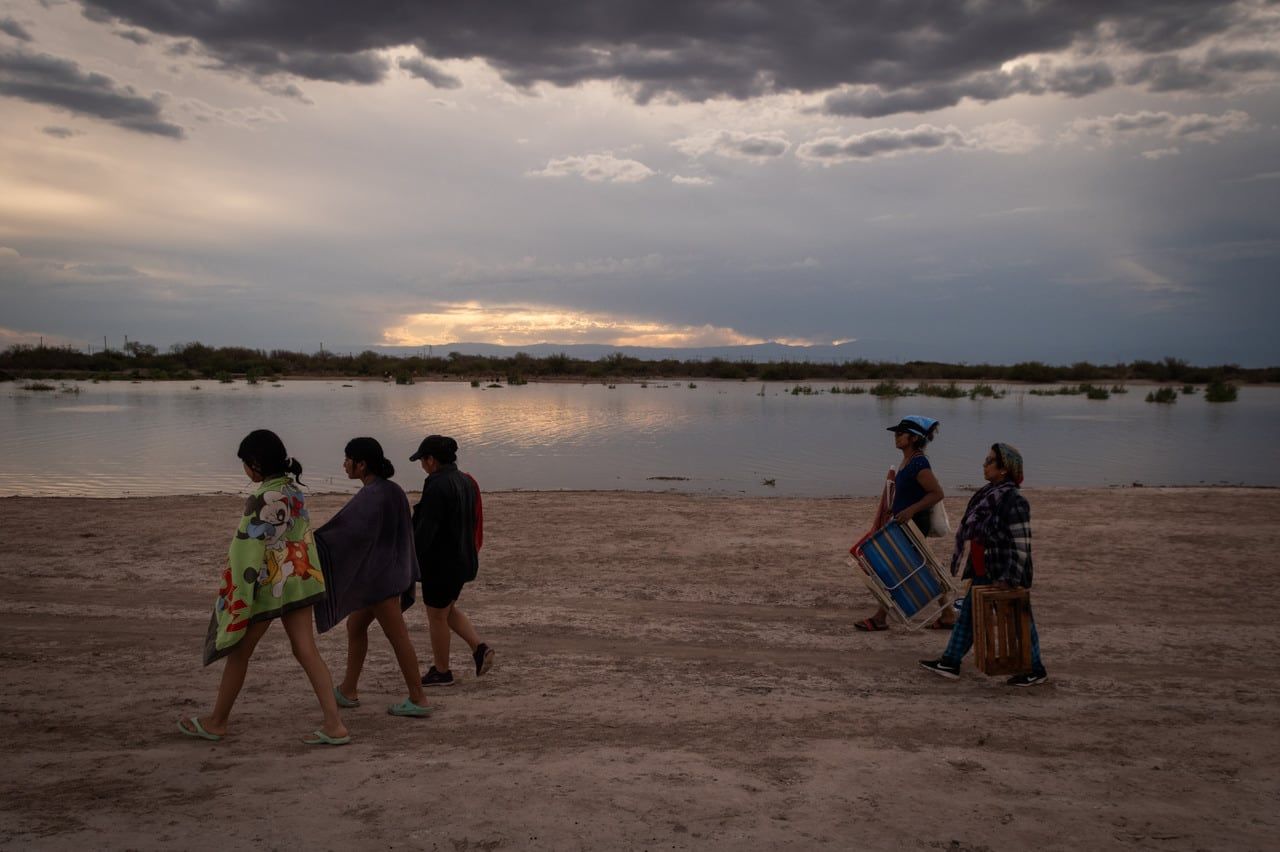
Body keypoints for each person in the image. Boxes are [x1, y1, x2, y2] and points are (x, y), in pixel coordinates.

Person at [178, 429, 350, 745]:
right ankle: (334, 724)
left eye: (245, 463)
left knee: (240, 652)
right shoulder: (293, 490)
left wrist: (238, 594)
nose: (244, 470)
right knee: (306, 650)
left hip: (270, 586)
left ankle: (217, 722)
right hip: (299, 581)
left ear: (255, 464)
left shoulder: (261, 498)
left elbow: (245, 550)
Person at [314, 437, 431, 718]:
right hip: (384, 575)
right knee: (355, 627)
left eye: (348, 459)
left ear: (362, 464)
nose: (344, 465)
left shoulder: (372, 495)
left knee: (398, 637)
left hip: (381, 581)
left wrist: (310, 543)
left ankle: (419, 698)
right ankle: (348, 690)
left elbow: (343, 531)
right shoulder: (393, 490)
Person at [919, 442, 1048, 686]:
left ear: (1004, 469)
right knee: (968, 616)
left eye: (989, 461)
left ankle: (1035, 669)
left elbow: (1021, 545)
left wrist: (1009, 578)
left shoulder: (1014, 501)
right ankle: (950, 662)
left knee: (1019, 621)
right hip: (982, 569)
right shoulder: (987, 494)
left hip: (1003, 573)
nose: (984, 464)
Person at [410, 434, 495, 687]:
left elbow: (427, 530)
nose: (422, 465)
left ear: (431, 460)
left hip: (441, 563)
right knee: (446, 610)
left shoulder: (436, 484)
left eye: (422, 460)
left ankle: (442, 671)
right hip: (463, 560)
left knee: (436, 616)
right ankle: (480, 649)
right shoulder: (465, 481)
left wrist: (411, 557)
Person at [855, 415, 952, 631]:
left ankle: (881, 617)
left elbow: (936, 493)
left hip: (915, 524)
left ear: (914, 438)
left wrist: (910, 510)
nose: (896, 437)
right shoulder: (908, 460)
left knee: (897, 568)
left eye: (901, 434)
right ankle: (948, 614)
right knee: (921, 567)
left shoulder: (919, 463)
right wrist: (895, 508)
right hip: (905, 522)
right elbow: (910, 493)